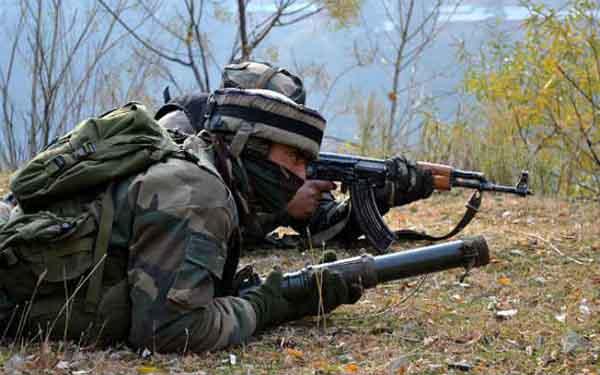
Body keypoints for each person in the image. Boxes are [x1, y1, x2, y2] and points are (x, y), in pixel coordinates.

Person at [156, 60, 434, 248]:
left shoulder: (285, 160)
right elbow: (188, 225)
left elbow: (326, 227)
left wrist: (383, 195)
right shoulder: (181, 126)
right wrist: (281, 210)